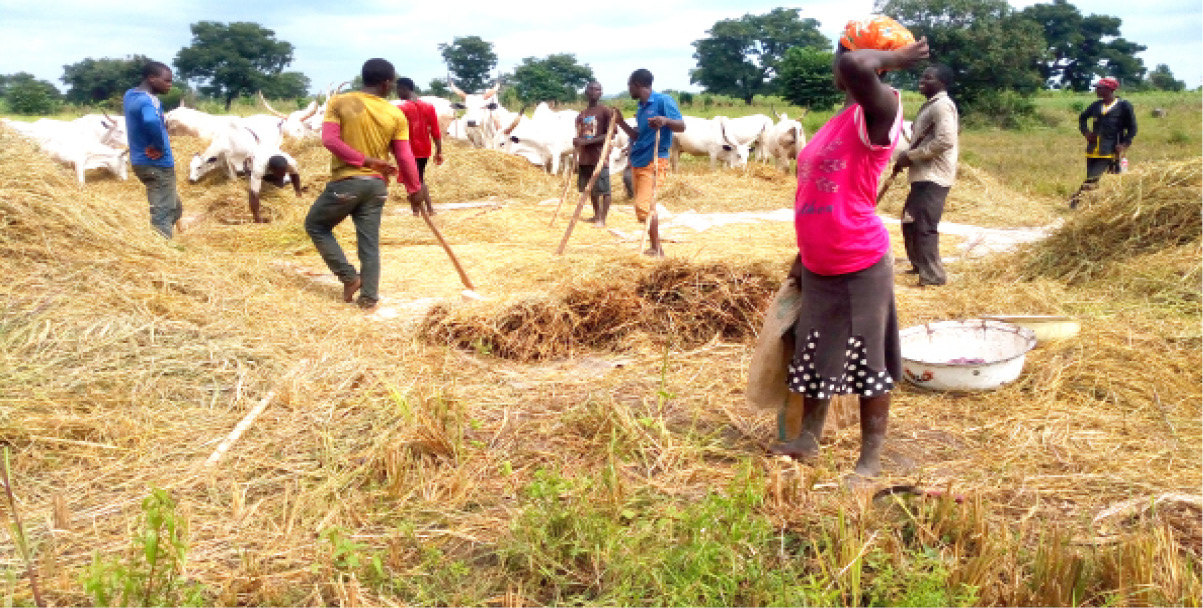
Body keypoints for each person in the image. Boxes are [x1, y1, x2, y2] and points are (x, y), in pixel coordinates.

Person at [768, 16, 929, 480]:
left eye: (840, 54)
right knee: (815, 352)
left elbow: (860, 64)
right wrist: (802, 257)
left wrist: (894, 59)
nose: (837, 63)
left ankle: (870, 460)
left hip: (860, 260)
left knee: (867, 361)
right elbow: (819, 192)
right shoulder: (840, 119)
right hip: (820, 262)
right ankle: (808, 439)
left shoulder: (881, 112)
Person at [305, 58, 424, 309]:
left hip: (347, 183)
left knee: (316, 225)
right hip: (376, 187)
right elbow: (404, 156)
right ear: (387, 83)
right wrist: (414, 189)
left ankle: (349, 278)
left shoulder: (340, 102)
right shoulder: (395, 113)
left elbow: (330, 141)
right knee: (369, 243)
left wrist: (363, 160)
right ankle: (369, 297)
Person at [895, 64, 958, 286]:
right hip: (922, 175)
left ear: (942, 83)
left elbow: (945, 140)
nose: (922, 80)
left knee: (924, 225)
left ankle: (933, 277)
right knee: (909, 222)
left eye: (928, 78)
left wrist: (911, 156)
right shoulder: (931, 105)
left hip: (934, 176)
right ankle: (919, 266)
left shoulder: (942, 106)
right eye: (922, 76)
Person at [614, 69, 684, 257]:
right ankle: (654, 246)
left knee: (644, 206)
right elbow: (638, 136)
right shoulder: (641, 108)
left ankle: (657, 249)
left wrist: (665, 120)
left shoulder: (663, 101)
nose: (628, 89)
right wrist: (620, 122)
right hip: (638, 159)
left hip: (655, 160)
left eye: (629, 85)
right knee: (645, 207)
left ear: (637, 84)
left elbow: (682, 126)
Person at [123, 61, 182, 238]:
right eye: (167, 81)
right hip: (157, 164)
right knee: (163, 213)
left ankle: (165, 234)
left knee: (175, 208)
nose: (170, 85)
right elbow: (150, 121)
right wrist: (158, 146)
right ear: (151, 78)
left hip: (140, 162)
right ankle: (162, 252)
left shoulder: (130, 95)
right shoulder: (150, 101)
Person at [1069, 77, 1136, 208]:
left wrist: (1125, 144)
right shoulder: (1096, 105)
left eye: (1100, 88)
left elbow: (1133, 128)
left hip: (1110, 149)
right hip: (1093, 149)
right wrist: (1086, 133)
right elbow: (1082, 118)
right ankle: (1094, 205)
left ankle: (1075, 202)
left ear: (1109, 89)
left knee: (1095, 179)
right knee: (1095, 179)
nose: (1096, 90)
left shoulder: (1123, 106)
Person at [395, 77, 444, 216]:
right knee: (419, 178)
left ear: (404, 89)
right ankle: (429, 209)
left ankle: (416, 211)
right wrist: (439, 151)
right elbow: (435, 131)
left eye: (398, 90)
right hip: (425, 149)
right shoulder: (429, 107)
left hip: (408, 150)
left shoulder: (401, 109)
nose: (398, 93)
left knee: (411, 180)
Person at [573, 81, 613, 226]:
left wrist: (586, 143)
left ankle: (603, 218)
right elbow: (580, 134)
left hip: (599, 156)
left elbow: (609, 135)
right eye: (591, 89)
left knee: (604, 189)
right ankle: (596, 215)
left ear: (601, 93)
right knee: (590, 188)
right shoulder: (582, 114)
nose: (594, 92)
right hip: (585, 157)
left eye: (597, 90)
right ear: (586, 92)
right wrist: (578, 142)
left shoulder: (605, 111)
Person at [247, 151, 302, 223]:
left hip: (271, 162)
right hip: (252, 159)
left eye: (284, 172)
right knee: (258, 185)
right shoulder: (258, 168)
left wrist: (298, 192)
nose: (283, 175)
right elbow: (254, 194)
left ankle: (275, 178)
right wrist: (257, 217)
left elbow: (294, 174)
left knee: (278, 186)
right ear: (271, 169)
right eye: (280, 173)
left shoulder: (291, 163)